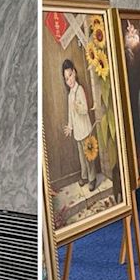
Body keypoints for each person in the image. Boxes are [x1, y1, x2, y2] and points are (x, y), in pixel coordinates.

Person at [62, 58, 99, 191]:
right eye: (67, 78)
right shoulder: (70, 95)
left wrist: (77, 106)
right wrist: (70, 126)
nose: (70, 80)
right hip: (77, 132)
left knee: (89, 156)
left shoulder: (80, 90)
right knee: (82, 158)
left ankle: (92, 178)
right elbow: (70, 113)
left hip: (85, 130)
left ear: (75, 73)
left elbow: (85, 110)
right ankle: (84, 176)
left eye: (70, 75)